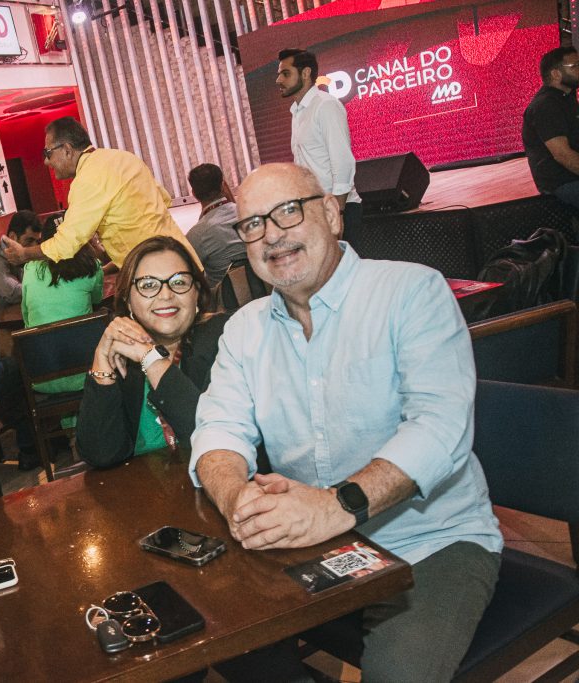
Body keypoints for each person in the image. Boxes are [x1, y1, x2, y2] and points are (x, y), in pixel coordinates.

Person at [190, 163, 502, 680]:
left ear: (332, 214)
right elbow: (219, 431)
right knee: (222, 638)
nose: (272, 236)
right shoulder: (244, 330)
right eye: (252, 225)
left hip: (431, 540)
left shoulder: (411, 292)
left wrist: (339, 504)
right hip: (319, 546)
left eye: (288, 212)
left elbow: (440, 428)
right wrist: (234, 498)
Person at [76, 236, 228, 468]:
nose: (165, 295)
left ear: (196, 291)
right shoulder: (122, 353)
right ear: (128, 300)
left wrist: (151, 358)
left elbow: (211, 437)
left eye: (178, 282)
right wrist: (101, 366)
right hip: (146, 496)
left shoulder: (225, 339)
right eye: (148, 285)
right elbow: (101, 455)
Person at [2, 116, 201, 271]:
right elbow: (164, 199)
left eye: (48, 153)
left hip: (156, 272)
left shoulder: (87, 179)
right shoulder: (124, 157)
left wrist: (24, 254)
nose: (46, 162)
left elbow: (66, 244)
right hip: (183, 258)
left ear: (67, 150)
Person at [277, 49, 362, 233]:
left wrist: (337, 213)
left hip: (338, 210)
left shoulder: (326, 105)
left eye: (285, 73)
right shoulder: (297, 111)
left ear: (306, 73)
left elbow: (343, 161)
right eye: (279, 75)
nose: (279, 81)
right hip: (315, 211)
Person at [20, 217, 104, 393]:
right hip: (88, 372)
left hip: (42, 376)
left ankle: (70, 420)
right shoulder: (92, 267)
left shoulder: (30, 268)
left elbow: (26, 316)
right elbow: (97, 300)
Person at [522, 46, 579, 208]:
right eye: (575, 66)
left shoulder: (566, 98)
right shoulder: (546, 105)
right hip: (562, 181)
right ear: (555, 74)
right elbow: (563, 155)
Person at [185, 163, 246, 288]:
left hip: (225, 302)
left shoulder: (196, 235)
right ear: (223, 186)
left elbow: (189, 274)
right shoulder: (248, 213)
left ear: (194, 194)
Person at [0, 211, 41, 312]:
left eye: (37, 241)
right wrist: (44, 287)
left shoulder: (23, 256)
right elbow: (13, 293)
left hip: (17, 315)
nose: (34, 246)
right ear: (12, 237)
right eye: (29, 240)